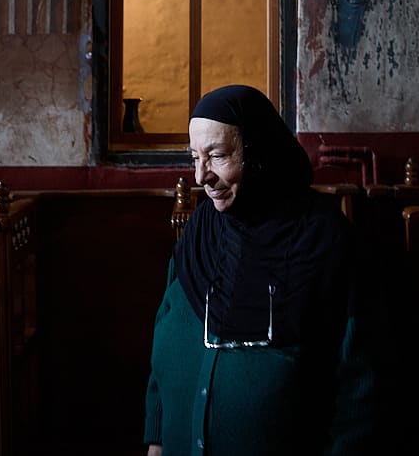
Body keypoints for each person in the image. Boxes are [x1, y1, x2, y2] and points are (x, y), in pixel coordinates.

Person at [143, 84, 377, 456]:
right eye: (194, 158)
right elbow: (165, 330)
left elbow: (358, 382)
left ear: (259, 154)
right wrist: (157, 437)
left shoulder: (321, 237)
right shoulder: (201, 230)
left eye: (217, 157)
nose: (201, 176)